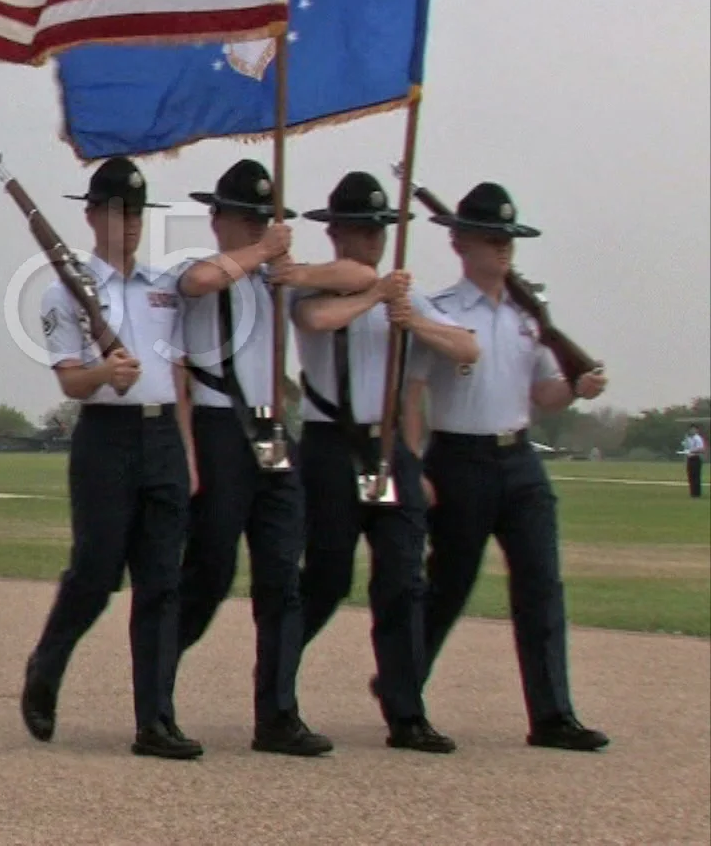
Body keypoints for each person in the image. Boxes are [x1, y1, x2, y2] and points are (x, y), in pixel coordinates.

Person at [174, 158, 375, 758]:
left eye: (265, 218)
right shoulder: (200, 267)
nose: (258, 226)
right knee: (209, 572)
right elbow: (204, 282)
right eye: (247, 218)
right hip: (217, 425)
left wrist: (291, 264)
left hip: (269, 430)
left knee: (283, 577)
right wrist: (262, 254)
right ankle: (155, 685)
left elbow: (358, 272)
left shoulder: (275, 279)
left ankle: (278, 713)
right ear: (217, 220)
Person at [403, 182, 610, 752]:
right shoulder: (440, 311)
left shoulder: (528, 316)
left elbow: (545, 395)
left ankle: (552, 713)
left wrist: (577, 385)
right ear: (461, 244)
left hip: (518, 458)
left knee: (542, 584)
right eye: (492, 239)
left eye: (508, 240)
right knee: (448, 584)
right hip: (459, 457)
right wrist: (414, 462)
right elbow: (413, 391)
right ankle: (404, 696)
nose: (503, 250)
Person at [291, 171, 480, 755]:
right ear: (338, 233)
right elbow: (316, 322)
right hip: (329, 443)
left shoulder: (402, 298)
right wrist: (374, 296)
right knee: (325, 577)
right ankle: (275, 685)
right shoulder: (316, 291)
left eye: (379, 230)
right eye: (361, 230)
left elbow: (467, 347)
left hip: (386, 447)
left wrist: (413, 319)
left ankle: (405, 708)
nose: (371, 241)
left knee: (403, 578)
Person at [17, 158, 196, 759]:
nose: (130, 224)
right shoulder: (62, 291)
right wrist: (104, 371)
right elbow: (71, 382)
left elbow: (179, 375)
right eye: (118, 212)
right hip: (106, 438)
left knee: (162, 583)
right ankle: (47, 661)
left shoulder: (166, 291)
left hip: (163, 435)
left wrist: (187, 453)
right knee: (96, 573)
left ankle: (156, 720)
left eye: (138, 213)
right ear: (92, 216)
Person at [683, 427, 705, 500]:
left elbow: (701, 449)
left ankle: (697, 494)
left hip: (696, 458)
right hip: (690, 458)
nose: (691, 431)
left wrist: (692, 451)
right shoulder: (689, 438)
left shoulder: (698, 438)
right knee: (691, 476)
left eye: (693, 429)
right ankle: (692, 493)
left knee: (696, 477)